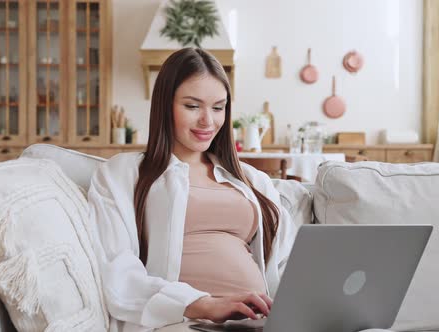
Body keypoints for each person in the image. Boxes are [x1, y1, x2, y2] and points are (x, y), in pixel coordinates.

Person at [88, 48, 297, 332]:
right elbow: (117, 269)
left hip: (260, 323)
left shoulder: (252, 180)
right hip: (184, 322)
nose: (208, 122)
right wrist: (203, 304)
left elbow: (290, 263)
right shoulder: (125, 174)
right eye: (192, 106)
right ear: (165, 105)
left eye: (218, 107)